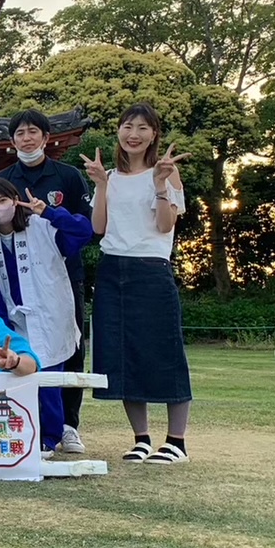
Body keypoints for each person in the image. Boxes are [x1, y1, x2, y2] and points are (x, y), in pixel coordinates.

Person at [84, 102, 193, 464]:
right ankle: (141, 438)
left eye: (143, 127)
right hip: (112, 269)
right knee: (122, 353)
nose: (134, 134)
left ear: (154, 134)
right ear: (118, 131)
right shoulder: (110, 177)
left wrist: (160, 184)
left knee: (165, 351)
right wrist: (101, 185)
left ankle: (176, 442)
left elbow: (165, 225)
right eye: (128, 126)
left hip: (151, 268)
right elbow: (99, 227)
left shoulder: (166, 173)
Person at [0, 108, 95, 454]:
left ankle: (69, 425)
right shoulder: (4, 179)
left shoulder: (67, 176)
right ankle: (32, 425)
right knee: (24, 353)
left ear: (46, 137)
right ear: (12, 140)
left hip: (62, 274)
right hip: (19, 284)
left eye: (33, 132)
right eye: (20, 133)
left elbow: (86, 226)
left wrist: (49, 212)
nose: (26, 139)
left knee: (68, 350)